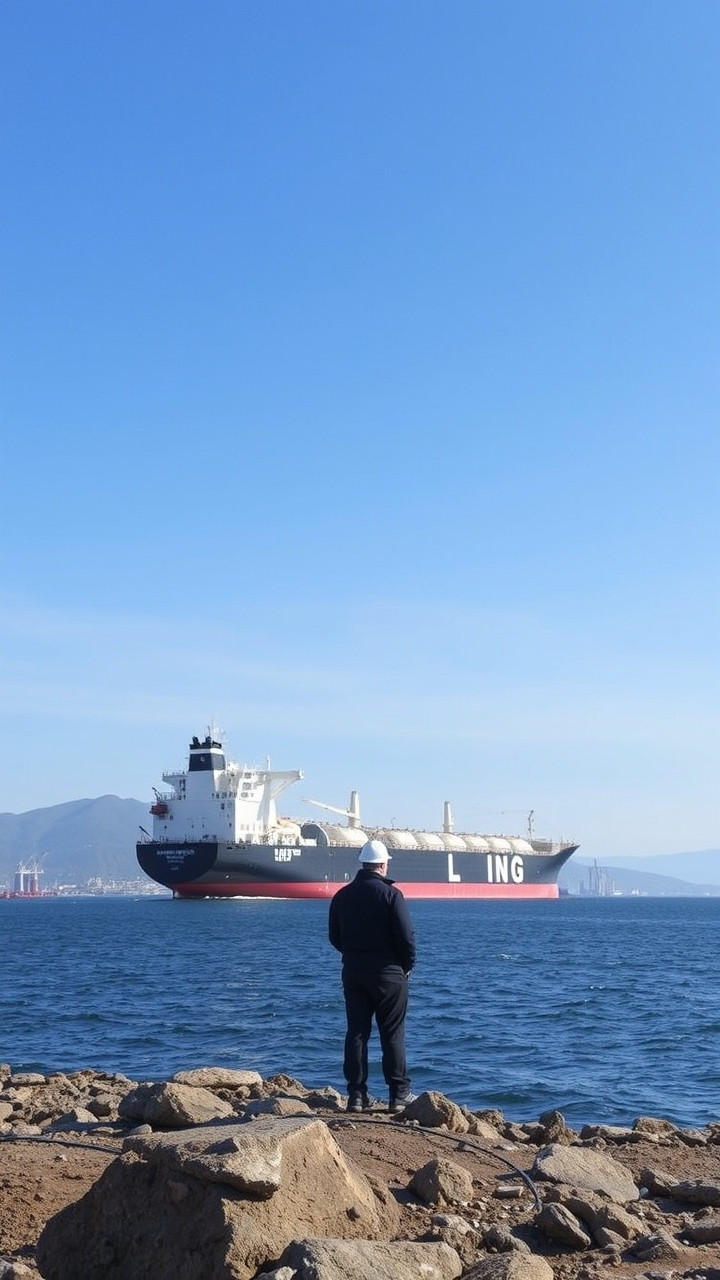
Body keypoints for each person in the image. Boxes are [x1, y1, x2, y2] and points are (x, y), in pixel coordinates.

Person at [328, 838, 417, 1114]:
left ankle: (356, 1096)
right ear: (382, 865)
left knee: (356, 1032)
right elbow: (406, 937)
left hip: (353, 971)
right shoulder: (392, 895)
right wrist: (407, 965)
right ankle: (399, 1096)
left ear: (362, 864)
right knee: (392, 1033)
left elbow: (334, 936)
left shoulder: (341, 896)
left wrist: (354, 955)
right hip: (389, 974)